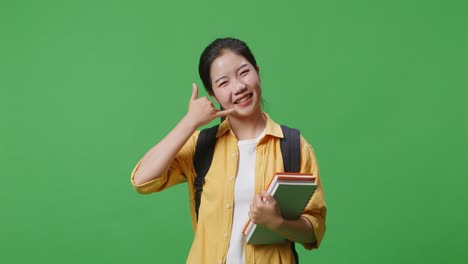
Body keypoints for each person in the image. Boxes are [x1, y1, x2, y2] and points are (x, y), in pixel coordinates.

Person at [130, 37, 326, 264]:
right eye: (223, 83)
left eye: (244, 72)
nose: (239, 87)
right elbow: (142, 180)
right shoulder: (201, 145)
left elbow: (314, 229)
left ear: (258, 72)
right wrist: (189, 122)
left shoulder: (294, 145)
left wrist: (277, 223)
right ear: (213, 96)